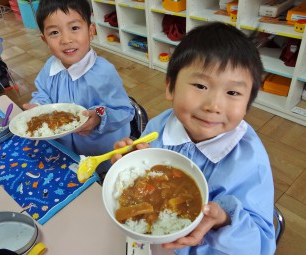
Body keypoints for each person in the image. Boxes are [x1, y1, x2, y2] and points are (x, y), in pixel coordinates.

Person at [113, 22, 276, 255]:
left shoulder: (251, 161)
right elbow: (145, 176)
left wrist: (223, 220)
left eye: (233, 92)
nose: (214, 106)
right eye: (200, 85)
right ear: (170, 87)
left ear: (248, 103)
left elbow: (261, 245)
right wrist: (131, 164)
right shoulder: (158, 126)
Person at [22, 0, 134, 174]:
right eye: (54, 32)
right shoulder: (50, 67)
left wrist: (98, 117)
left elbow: (124, 111)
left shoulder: (104, 73)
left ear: (90, 31)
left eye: (74, 28)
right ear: (44, 40)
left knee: (97, 184)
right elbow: (42, 93)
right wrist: (38, 107)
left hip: (102, 152)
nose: (66, 40)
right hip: (66, 149)